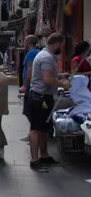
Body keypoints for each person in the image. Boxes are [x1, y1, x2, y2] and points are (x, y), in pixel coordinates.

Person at [28, 33, 70, 172]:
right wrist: (62, 84)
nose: (62, 48)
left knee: (43, 128)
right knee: (36, 129)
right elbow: (46, 79)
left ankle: (44, 155)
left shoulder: (47, 55)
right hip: (40, 97)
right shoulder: (46, 57)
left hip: (44, 96)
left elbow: (48, 75)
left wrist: (60, 75)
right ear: (57, 43)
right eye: (62, 45)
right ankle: (34, 160)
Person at [19, 35, 39, 142]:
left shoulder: (31, 53)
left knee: (29, 111)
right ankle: (33, 133)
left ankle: (33, 134)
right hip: (33, 85)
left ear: (28, 42)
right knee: (30, 111)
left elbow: (30, 70)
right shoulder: (36, 52)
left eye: (25, 40)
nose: (23, 42)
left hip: (31, 86)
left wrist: (25, 85)